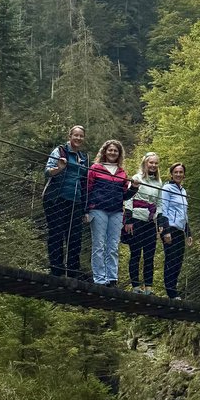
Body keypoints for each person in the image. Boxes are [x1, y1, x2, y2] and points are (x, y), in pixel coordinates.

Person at [43, 124, 89, 276]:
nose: (78, 138)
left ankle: (73, 270)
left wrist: (86, 208)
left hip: (76, 201)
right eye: (76, 135)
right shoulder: (60, 151)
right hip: (57, 198)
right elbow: (47, 171)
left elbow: (85, 182)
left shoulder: (84, 157)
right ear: (70, 136)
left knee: (75, 236)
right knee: (56, 233)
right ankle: (56, 269)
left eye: (81, 136)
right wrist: (59, 168)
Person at [86, 140, 132, 286]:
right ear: (105, 152)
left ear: (119, 154)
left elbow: (125, 195)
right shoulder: (95, 168)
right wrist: (85, 210)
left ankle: (112, 278)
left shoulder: (122, 172)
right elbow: (87, 188)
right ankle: (100, 278)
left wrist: (135, 188)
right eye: (110, 150)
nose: (112, 153)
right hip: (98, 209)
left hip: (116, 211)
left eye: (115, 151)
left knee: (113, 246)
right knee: (99, 245)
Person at [124, 152, 163, 294]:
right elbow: (129, 198)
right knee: (135, 254)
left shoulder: (159, 183)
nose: (153, 165)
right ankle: (135, 286)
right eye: (151, 162)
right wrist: (128, 220)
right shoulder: (137, 178)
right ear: (145, 163)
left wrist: (158, 220)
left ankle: (148, 288)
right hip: (136, 219)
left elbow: (159, 203)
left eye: (156, 163)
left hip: (150, 222)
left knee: (149, 256)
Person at [157, 162, 192, 299]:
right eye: (176, 172)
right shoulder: (167, 188)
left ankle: (173, 289)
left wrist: (188, 232)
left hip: (180, 230)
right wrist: (165, 230)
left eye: (181, 172)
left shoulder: (183, 191)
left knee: (178, 261)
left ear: (184, 175)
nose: (178, 174)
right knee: (171, 260)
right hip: (169, 228)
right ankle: (171, 292)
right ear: (171, 174)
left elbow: (184, 213)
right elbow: (163, 208)